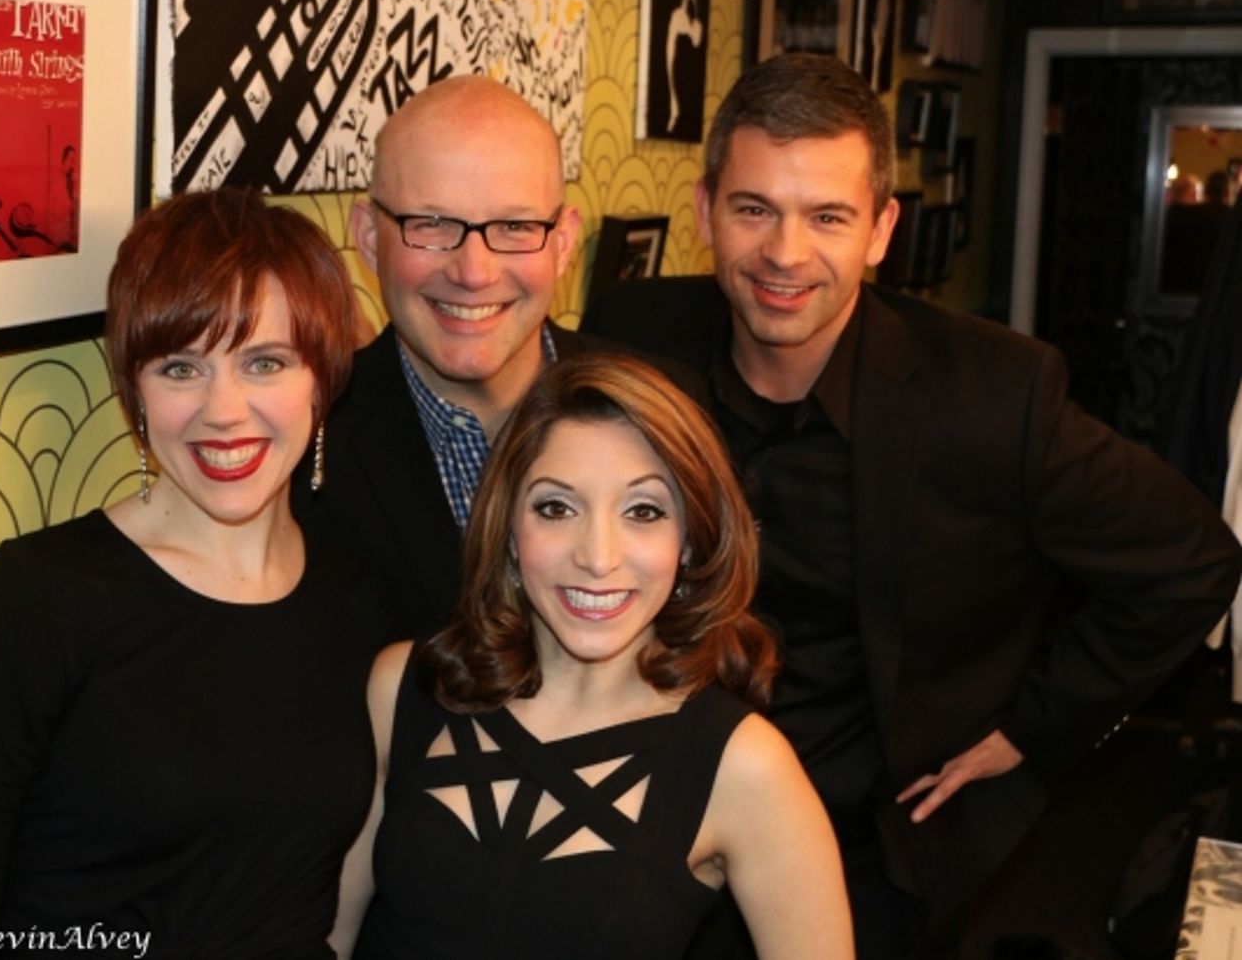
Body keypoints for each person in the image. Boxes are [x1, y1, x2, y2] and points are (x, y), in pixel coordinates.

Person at [582, 53, 1242, 956]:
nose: (785, 253)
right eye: (753, 209)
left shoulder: (993, 395)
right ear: (704, 212)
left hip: (873, 846)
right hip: (653, 816)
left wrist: (1030, 728)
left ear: (881, 229)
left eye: (827, 216)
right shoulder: (632, 336)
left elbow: (1192, 560)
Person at [0, 188, 392, 956]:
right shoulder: (39, 598)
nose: (224, 410)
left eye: (264, 362)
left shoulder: (358, 598)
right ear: (135, 390)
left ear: (322, 380)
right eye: (180, 367)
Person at [332, 354, 854, 959]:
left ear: (690, 540)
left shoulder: (745, 766)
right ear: (509, 528)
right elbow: (322, 941)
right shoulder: (405, 687)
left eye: (643, 512)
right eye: (556, 508)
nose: (598, 557)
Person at [292, 75, 589, 641]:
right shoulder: (301, 451)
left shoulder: (664, 414)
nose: (473, 272)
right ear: (369, 238)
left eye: (515, 226)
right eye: (431, 225)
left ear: (563, 242)